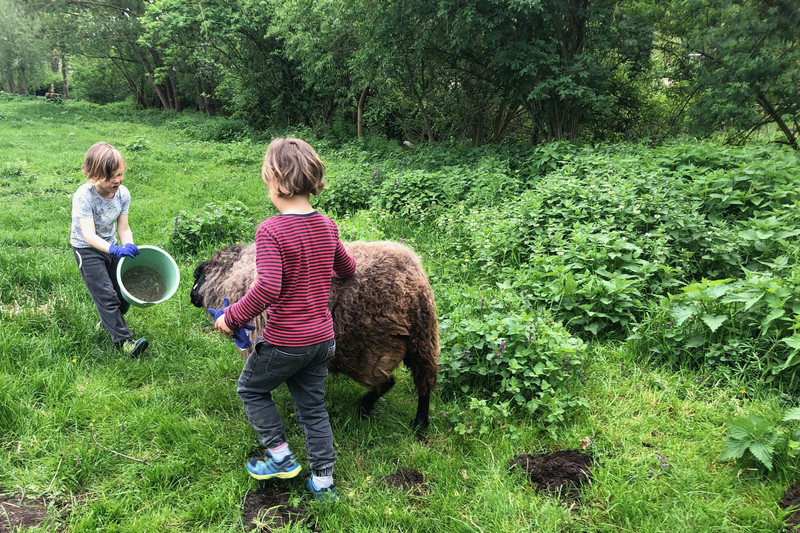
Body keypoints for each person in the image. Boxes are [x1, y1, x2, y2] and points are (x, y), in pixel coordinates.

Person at [214, 137, 356, 500]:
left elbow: (268, 288)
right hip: (323, 339)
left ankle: (279, 456)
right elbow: (347, 267)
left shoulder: (271, 230)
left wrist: (232, 317)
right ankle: (324, 483)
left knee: (251, 389)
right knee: (312, 408)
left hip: (286, 340)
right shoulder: (327, 225)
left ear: (275, 183)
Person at [71, 142, 148, 357]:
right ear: (93, 175)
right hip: (87, 249)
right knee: (106, 295)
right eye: (111, 177)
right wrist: (113, 250)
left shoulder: (123, 194)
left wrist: (128, 244)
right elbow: (88, 234)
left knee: (123, 292)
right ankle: (125, 342)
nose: (117, 180)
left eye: (120, 174)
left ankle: (108, 321)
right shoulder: (83, 196)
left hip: (111, 245)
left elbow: (123, 227)